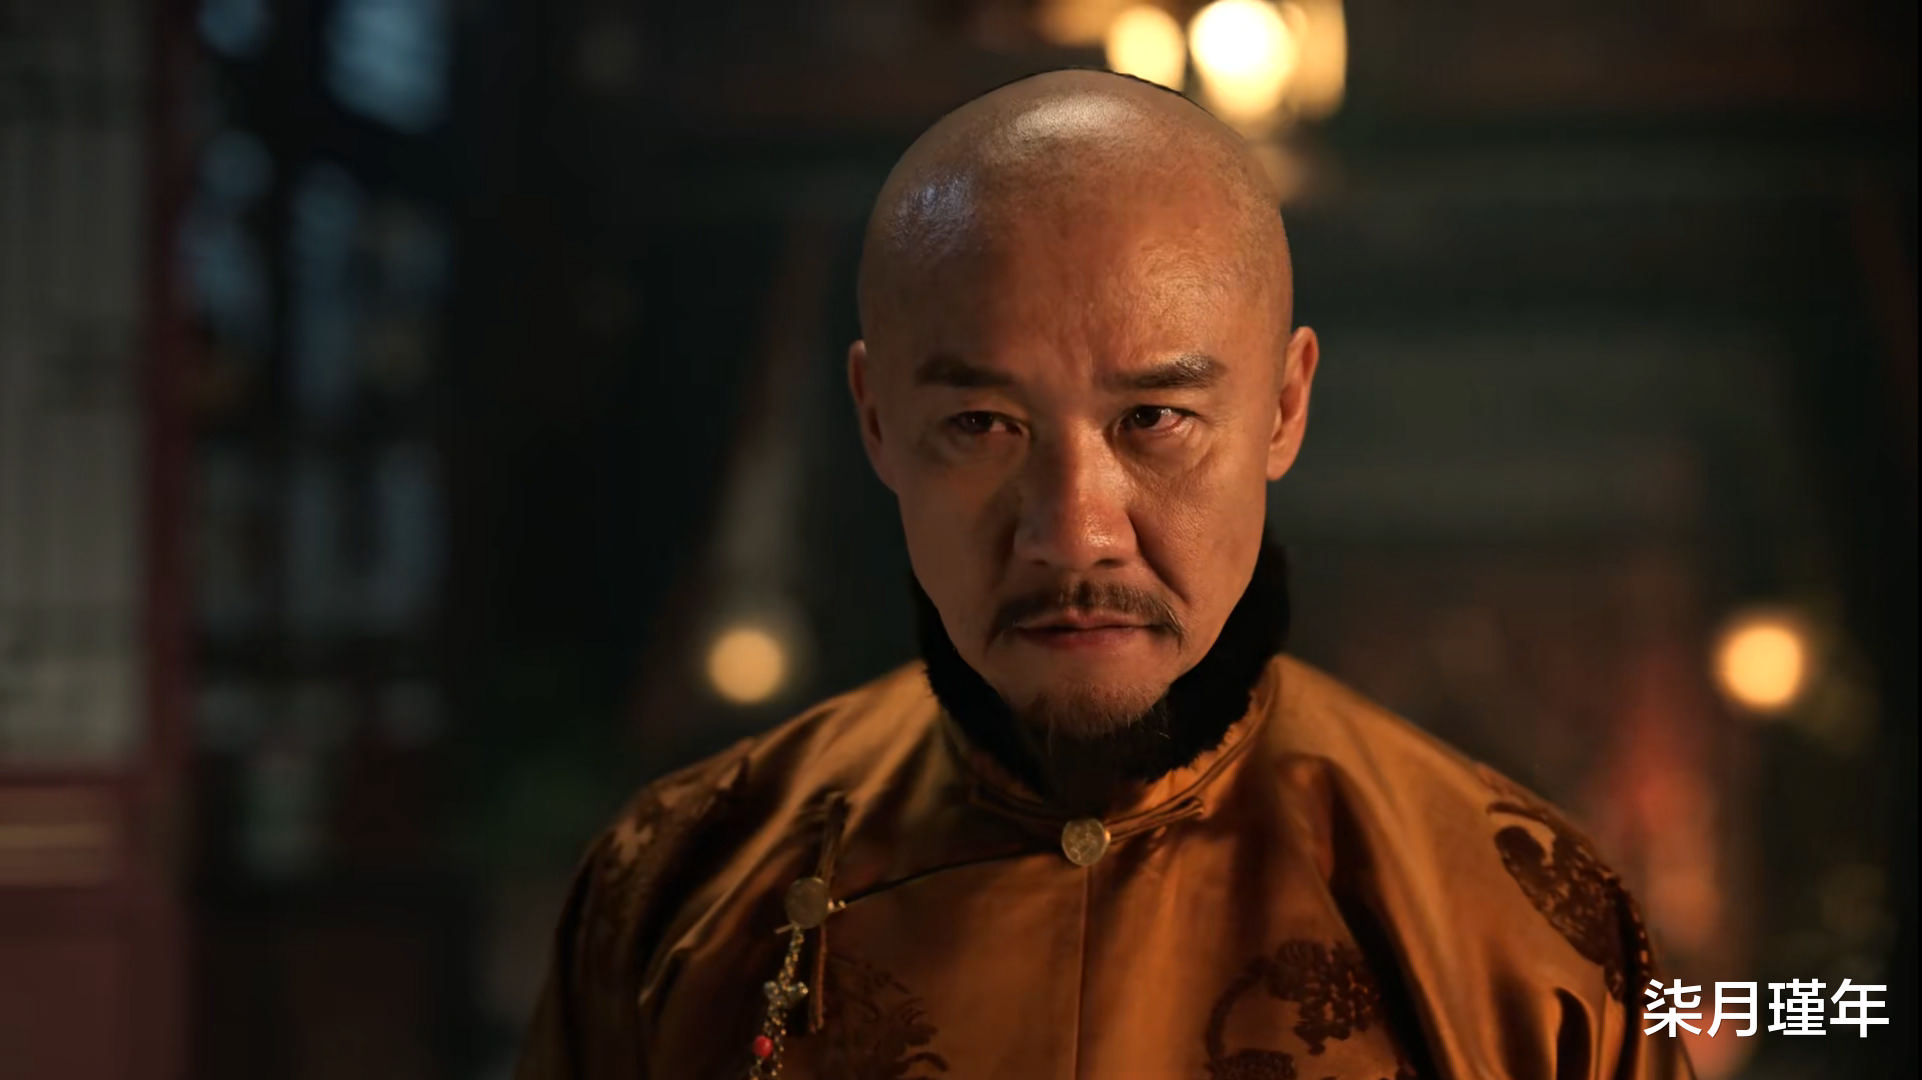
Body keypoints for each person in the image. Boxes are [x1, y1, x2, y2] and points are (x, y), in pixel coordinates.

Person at [515, 69, 1695, 1080]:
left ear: (1283, 407)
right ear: (875, 420)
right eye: (982, 425)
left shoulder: (1516, 920)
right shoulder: (678, 885)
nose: (1074, 532)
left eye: (1154, 419)